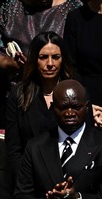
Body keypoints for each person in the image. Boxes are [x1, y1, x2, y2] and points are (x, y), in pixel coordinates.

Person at [0, 0, 82, 128]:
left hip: (58, 96)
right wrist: (12, 64)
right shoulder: (10, 8)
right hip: (15, 95)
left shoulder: (72, 9)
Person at [5, 31, 74, 164]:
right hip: (29, 173)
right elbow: (13, 148)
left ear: (62, 59)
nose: (49, 63)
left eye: (55, 57)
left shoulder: (75, 93)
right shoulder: (19, 94)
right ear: (35, 60)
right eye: (43, 57)